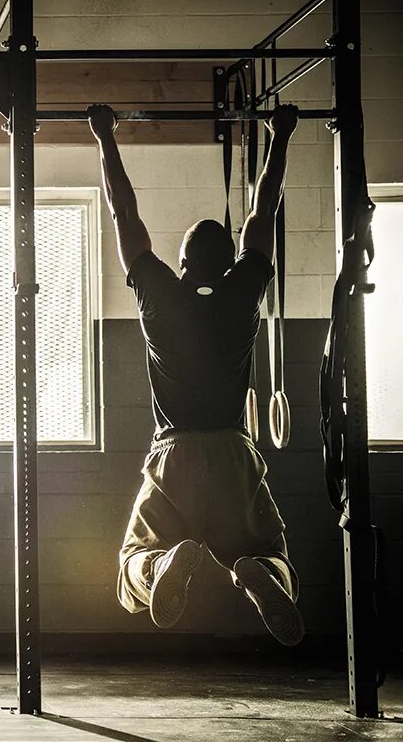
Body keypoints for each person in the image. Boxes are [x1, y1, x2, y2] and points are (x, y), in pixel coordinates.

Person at [88, 101, 304, 645]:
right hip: (234, 452)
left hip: (175, 454)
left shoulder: (160, 295)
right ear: (230, 261)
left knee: (132, 559)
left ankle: (159, 569)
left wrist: (105, 138)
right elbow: (263, 212)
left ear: (181, 265)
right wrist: (279, 136)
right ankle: (260, 575)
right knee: (270, 552)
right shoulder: (242, 291)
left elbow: (124, 213)